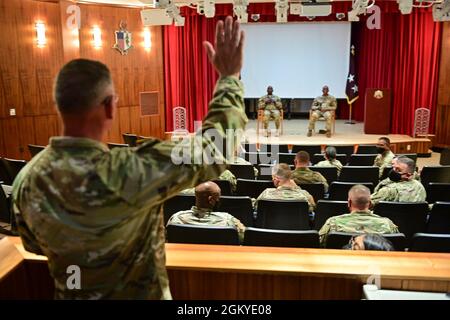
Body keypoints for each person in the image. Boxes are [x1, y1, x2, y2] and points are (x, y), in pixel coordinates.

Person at [12, 16, 246, 300]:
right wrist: (229, 78)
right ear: (109, 106)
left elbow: (34, 245)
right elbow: (216, 148)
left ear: (59, 106)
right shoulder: (131, 170)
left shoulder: (27, 178)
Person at [319, 185, 399, 246]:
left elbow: (320, 245)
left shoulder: (333, 223)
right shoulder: (388, 224)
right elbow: (396, 246)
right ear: (370, 203)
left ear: (349, 203)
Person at [167, 181, 245, 243]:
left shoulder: (176, 218)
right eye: (218, 198)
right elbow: (244, 238)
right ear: (211, 200)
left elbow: (167, 239)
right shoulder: (228, 220)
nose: (219, 200)